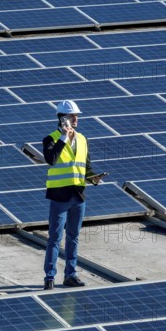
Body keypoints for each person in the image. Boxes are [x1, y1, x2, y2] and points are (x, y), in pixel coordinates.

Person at [42, 100, 103, 290]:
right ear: (62, 119)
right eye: (72, 115)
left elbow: (86, 166)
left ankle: (71, 275)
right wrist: (63, 138)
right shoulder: (50, 139)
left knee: (73, 237)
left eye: (77, 115)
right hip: (59, 197)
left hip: (78, 195)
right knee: (54, 237)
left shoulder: (83, 139)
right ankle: (49, 277)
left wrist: (93, 177)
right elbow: (51, 160)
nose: (76, 118)